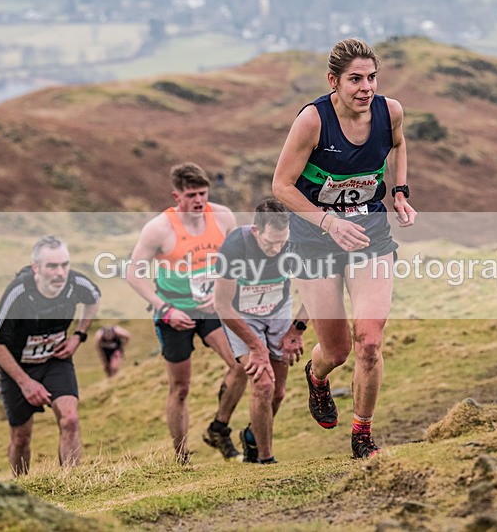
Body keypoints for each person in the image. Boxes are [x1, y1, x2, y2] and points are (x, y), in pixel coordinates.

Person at [271, 38, 417, 459]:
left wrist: (401, 193)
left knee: (369, 342)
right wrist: (328, 220)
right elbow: (280, 186)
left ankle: (362, 436)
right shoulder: (312, 121)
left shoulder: (390, 112)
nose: (365, 87)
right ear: (333, 81)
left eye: (371, 78)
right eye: (355, 79)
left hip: (369, 235)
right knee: (336, 350)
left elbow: (399, 144)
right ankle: (317, 378)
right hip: (314, 239)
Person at [125, 161, 247, 464]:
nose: (198, 201)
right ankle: (181, 457)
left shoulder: (222, 217)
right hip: (174, 312)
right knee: (180, 388)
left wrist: (225, 292)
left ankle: (219, 427)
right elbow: (133, 273)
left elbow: (237, 260)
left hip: (212, 307)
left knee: (241, 366)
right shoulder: (159, 228)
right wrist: (165, 309)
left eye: (202, 193)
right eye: (191, 195)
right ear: (176, 196)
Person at [0, 236, 101, 475]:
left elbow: (94, 298)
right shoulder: (19, 293)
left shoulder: (76, 283)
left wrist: (79, 335)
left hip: (55, 361)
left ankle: (72, 487)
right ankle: (22, 488)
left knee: (70, 419)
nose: (60, 272)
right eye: (52, 266)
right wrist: (26, 383)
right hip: (19, 369)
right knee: (21, 438)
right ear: (36, 267)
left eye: (65, 265)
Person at [213, 198, 308, 464]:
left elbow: (317, 293)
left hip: (277, 310)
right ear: (256, 231)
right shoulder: (235, 246)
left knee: (278, 392)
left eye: (282, 242)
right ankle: (264, 460)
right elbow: (221, 304)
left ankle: (253, 436)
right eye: (270, 243)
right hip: (241, 316)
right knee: (264, 385)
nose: (277, 249)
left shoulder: (296, 242)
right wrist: (256, 346)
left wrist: (297, 330)